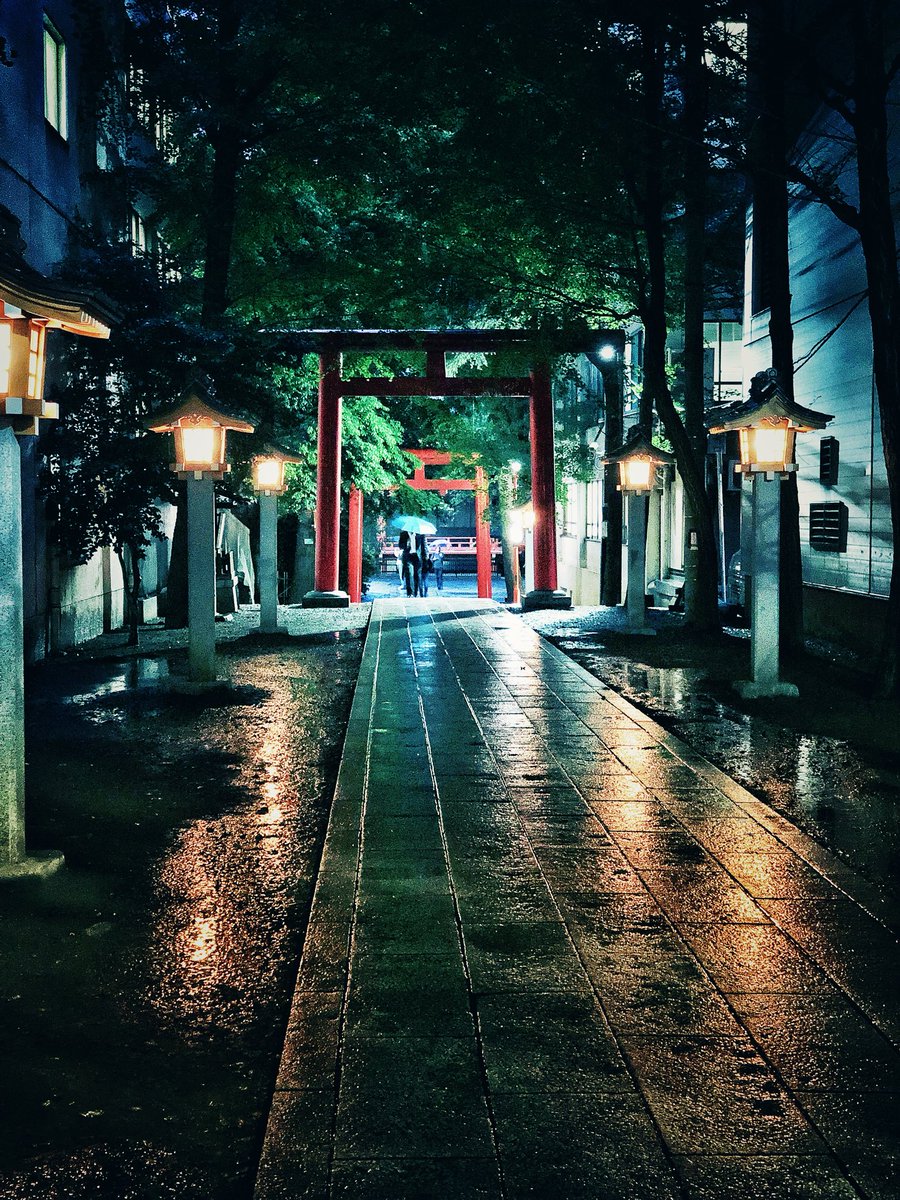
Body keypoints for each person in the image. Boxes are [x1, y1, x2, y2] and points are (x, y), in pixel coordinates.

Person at [399, 530, 420, 597]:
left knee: (415, 575)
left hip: (415, 556)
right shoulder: (403, 534)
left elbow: (420, 545)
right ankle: (409, 592)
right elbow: (400, 545)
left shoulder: (417, 535)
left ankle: (415, 592)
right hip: (407, 555)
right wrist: (407, 544)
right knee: (408, 574)